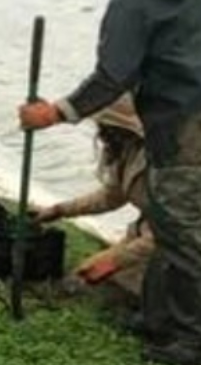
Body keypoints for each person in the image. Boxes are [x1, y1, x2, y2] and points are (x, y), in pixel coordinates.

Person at [18, 0, 201, 365]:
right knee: (174, 228)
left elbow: (112, 75)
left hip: (187, 127)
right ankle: (161, 320)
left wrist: (55, 112)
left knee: (182, 236)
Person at [29, 95, 155, 300]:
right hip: (142, 235)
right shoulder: (124, 152)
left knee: (125, 290)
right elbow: (110, 197)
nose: (103, 133)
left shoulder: (160, 162)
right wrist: (59, 210)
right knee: (84, 274)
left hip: (166, 247)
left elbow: (164, 235)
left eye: (109, 127)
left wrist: (115, 261)